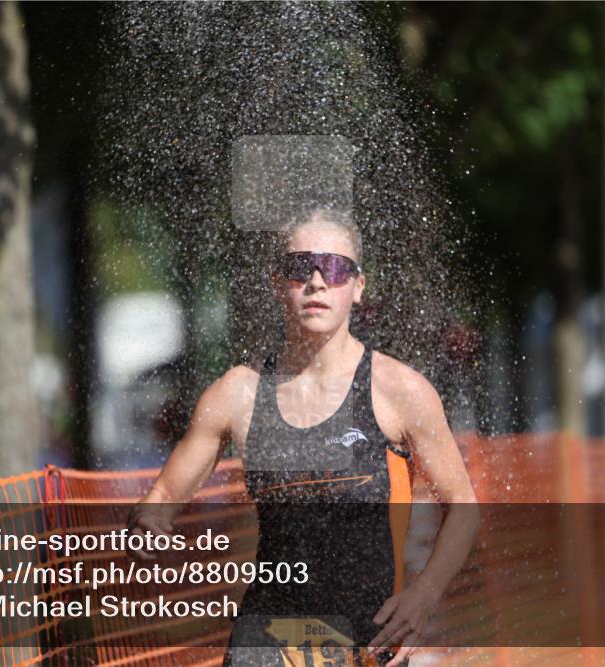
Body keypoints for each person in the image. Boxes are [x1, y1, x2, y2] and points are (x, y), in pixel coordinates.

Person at [127, 209, 480, 667]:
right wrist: (147, 525)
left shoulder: (399, 392)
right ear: (279, 283)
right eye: (300, 268)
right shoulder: (237, 394)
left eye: (334, 268)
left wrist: (424, 595)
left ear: (357, 286)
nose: (317, 281)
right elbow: (167, 493)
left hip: (366, 645)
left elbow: (463, 509)